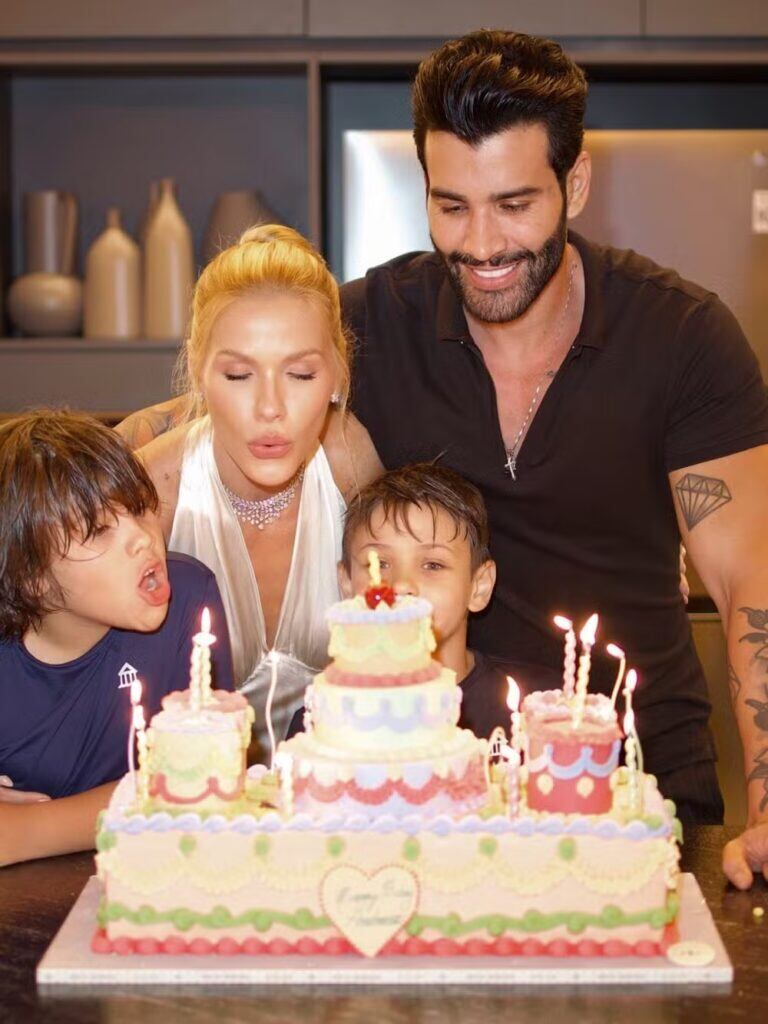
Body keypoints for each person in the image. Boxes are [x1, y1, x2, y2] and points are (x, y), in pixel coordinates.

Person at [116, 31, 768, 881]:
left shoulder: (682, 336)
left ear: (575, 184)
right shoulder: (370, 326)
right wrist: (89, 474)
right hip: (425, 799)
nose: (483, 244)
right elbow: (228, 403)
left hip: (632, 789)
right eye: (452, 206)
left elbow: (750, 580)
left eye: (514, 204)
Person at [135, 225, 381, 757]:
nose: (271, 408)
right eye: (239, 375)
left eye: (300, 374)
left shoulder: (352, 461)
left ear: (337, 374)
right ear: (198, 371)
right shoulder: (154, 490)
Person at [0, 410, 233, 866]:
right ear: (30, 577)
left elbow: (206, 778)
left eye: (141, 508)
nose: (144, 538)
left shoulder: (189, 599)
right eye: (100, 530)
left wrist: (26, 831)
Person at [287, 462, 561, 741]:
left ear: (479, 586)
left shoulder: (545, 709)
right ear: (346, 583)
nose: (402, 585)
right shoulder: (320, 722)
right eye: (379, 564)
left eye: (432, 565)